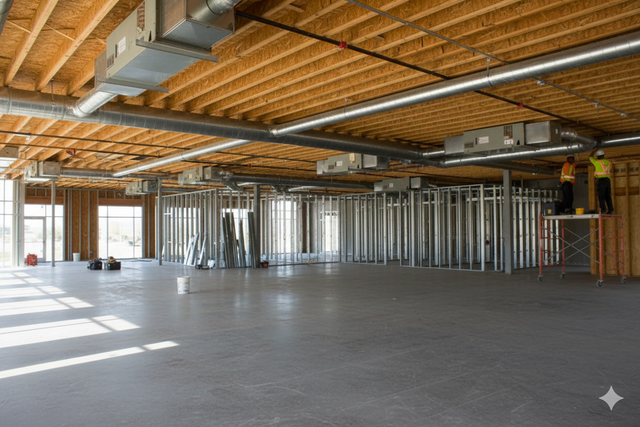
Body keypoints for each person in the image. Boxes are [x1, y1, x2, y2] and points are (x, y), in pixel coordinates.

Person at [589, 148, 614, 214]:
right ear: (603, 155)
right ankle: (611, 210)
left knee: (601, 196)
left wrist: (594, 150)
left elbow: (590, 157)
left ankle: (603, 210)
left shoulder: (597, 162)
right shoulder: (608, 162)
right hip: (608, 180)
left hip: (601, 181)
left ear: (597, 156)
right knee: (608, 196)